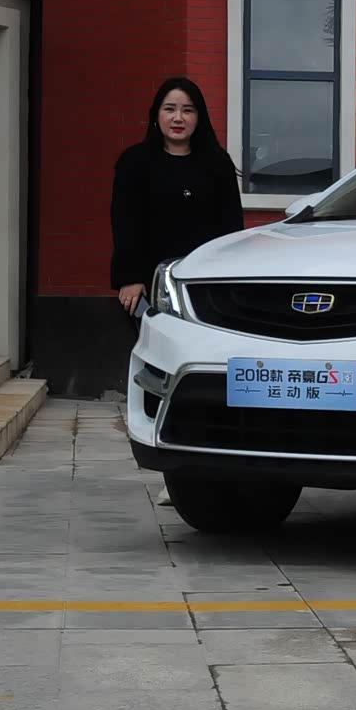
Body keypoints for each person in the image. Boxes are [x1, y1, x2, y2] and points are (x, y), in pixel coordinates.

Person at [110, 76, 244, 504]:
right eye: (169, 109)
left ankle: (213, 470)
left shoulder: (217, 164)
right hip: (151, 291)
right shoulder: (135, 163)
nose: (178, 118)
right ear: (156, 115)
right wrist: (129, 277)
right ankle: (175, 474)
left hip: (206, 295)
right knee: (164, 381)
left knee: (210, 383)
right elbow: (124, 223)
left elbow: (232, 231)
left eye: (187, 109)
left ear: (199, 117)